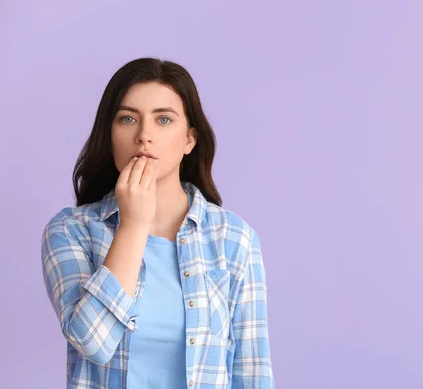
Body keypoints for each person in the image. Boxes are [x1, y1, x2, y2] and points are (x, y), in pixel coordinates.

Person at [40, 57, 275, 389]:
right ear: (109, 135)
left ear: (189, 140)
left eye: (163, 119)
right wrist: (133, 225)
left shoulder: (234, 239)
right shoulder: (71, 231)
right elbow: (93, 342)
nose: (143, 135)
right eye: (127, 119)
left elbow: (253, 373)